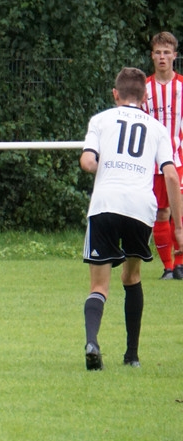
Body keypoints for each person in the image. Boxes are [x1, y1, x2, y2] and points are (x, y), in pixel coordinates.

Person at [80, 66, 183, 370]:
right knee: (132, 277)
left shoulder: (100, 120)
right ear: (145, 96)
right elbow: (171, 176)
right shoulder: (157, 128)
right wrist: (178, 226)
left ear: (115, 94)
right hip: (140, 207)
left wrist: (100, 165)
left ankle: (92, 342)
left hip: (105, 203)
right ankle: (132, 356)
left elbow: (87, 161)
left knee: (99, 287)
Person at [142, 31, 183, 279]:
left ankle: (180, 265)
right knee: (161, 213)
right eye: (158, 52)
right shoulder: (144, 89)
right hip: (153, 163)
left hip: (179, 159)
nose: (162, 57)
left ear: (174, 56)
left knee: (180, 212)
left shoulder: (182, 86)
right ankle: (167, 267)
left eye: (166, 53)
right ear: (152, 56)